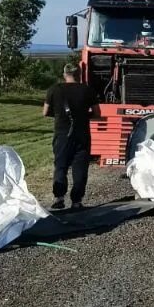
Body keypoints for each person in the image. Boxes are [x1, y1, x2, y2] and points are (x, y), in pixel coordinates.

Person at [43, 63, 100, 210]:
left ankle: (59, 198)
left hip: (62, 135)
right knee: (80, 167)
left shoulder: (54, 90)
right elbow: (97, 113)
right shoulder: (88, 90)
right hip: (82, 135)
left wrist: (58, 114)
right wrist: (84, 115)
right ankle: (76, 201)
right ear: (80, 74)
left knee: (61, 165)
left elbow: (45, 112)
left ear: (64, 74)